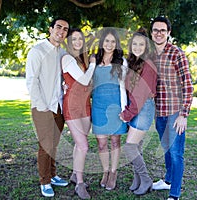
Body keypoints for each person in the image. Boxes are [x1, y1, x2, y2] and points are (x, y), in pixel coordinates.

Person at [150, 16, 194, 200]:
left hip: (175, 113)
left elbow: (188, 85)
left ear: (168, 33)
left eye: (162, 30)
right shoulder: (149, 55)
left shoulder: (177, 53)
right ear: (151, 33)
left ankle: (174, 194)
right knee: (167, 149)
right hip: (159, 113)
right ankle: (167, 181)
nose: (158, 33)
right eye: (155, 30)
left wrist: (183, 115)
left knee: (176, 154)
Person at [26, 18, 70, 197]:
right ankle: (44, 181)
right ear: (50, 29)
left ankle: (52, 175)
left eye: (65, 29)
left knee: (54, 144)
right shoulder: (37, 51)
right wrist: (42, 106)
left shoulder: (63, 53)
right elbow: (31, 81)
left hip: (59, 105)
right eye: (58, 27)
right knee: (45, 145)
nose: (61, 31)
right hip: (43, 106)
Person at [120, 28, 157, 195]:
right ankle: (138, 180)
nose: (137, 47)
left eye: (141, 44)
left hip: (143, 108)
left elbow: (141, 94)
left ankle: (146, 179)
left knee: (129, 147)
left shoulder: (148, 64)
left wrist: (127, 114)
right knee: (137, 147)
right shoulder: (133, 62)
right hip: (135, 107)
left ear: (146, 46)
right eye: (134, 44)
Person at [91, 27, 128, 190]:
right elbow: (86, 80)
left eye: (113, 41)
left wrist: (125, 109)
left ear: (117, 44)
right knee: (101, 144)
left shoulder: (122, 61)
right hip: (98, 106)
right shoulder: (93, 59)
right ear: (102, 42)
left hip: (116, 107)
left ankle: (113, 172)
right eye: (107, 41)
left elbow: (126, 86)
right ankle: (105, 171)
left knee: (115, 141)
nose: (110, 44)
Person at [61, 28, 95, 199]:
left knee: (79, 143)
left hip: (85, 106)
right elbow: (83, 80)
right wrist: (94, 64)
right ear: (69, 42)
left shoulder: (83, 60)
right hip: (73, 107)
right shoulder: (67, 58)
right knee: (83, 146)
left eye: (80, 39)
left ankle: (75, 174)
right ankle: (80, 184)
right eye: (73, 39)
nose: (77, 42)